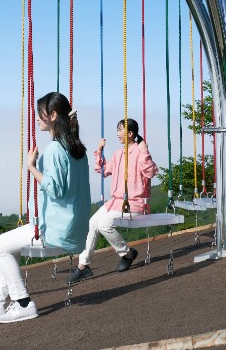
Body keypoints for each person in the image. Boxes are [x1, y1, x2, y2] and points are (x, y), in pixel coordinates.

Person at [0, 91, 91, 324]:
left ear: (53, 115)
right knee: (9, 248)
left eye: (39, 114)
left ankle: (23, 303)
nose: (36, 119)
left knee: (0, 245)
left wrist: (31, 167)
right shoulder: (77, 149)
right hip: (75, 228)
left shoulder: (55, 149)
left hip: (55, 230)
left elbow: (56, 189)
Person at [66, 118, 159, 284]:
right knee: (93, 222)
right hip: (116, 202)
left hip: (135, 203)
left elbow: (151, 172)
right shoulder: (118, 154)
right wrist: (99, 152)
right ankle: (83, 266)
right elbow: (103, 171)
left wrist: (144, 151)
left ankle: (127, 254)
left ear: (130, 133)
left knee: (104, 225)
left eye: (120, 130)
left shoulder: (140, 151)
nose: (117, 133)